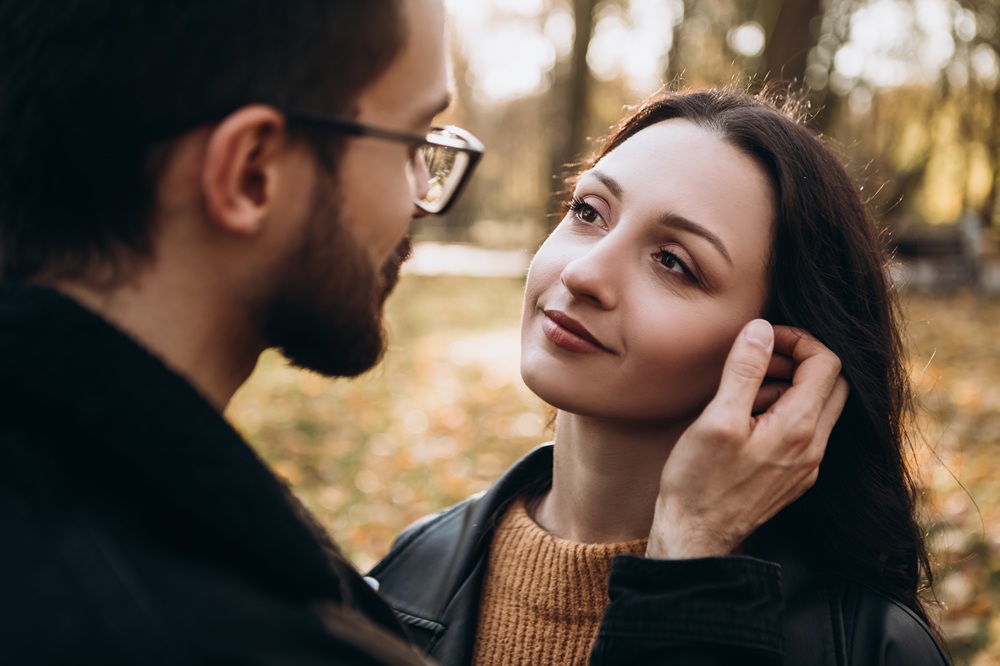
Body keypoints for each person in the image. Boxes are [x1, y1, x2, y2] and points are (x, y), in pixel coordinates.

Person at [0, 1, 847, 663]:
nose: (420, 192)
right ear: (250, 171)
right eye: (410, 140)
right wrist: (689, 584)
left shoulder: (857, 640)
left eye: (675, 262)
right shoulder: (260, 618)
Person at [370, 88, 951, 665]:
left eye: (674, 262)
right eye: (588, 211)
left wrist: (688, 566)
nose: (583, 272)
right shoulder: (403, 580)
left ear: (781, 355)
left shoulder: (871, 648)